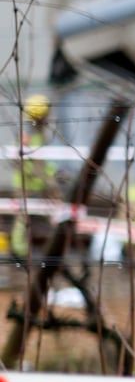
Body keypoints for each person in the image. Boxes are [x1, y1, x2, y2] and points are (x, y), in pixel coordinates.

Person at [10, 93, 59, 258]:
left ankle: (24, 251)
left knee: (26, 219)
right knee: (24, 219)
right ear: (42, 115)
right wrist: (50, 181)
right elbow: (36, 165)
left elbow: (40, 163)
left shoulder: (32, 134)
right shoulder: (32, 136)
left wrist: (52, 172)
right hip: (29, 185)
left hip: (31, 183)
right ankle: (20, 253)